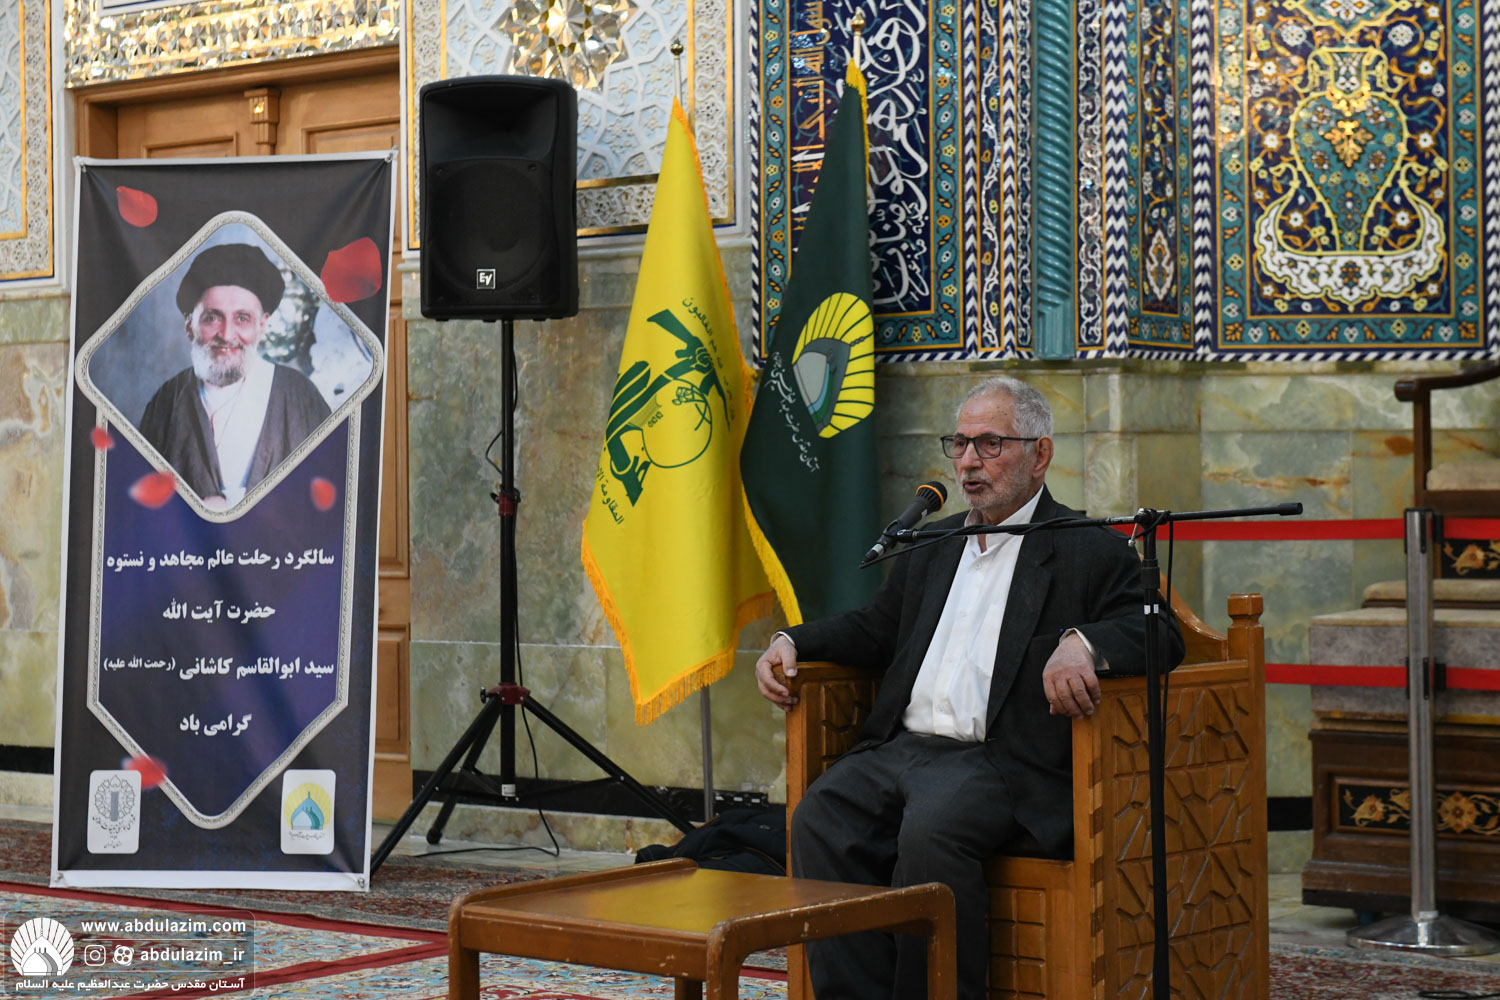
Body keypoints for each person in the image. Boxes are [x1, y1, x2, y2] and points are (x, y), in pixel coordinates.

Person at [754, 375, 1185, 1000]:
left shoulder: (1086, 548)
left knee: (931, 832)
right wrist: (794, 640)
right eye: (959, 444)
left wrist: (1082, 643)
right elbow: (877, 628)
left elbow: (1160, 633)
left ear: (1040, 454)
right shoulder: (934, 541)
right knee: (819, 818)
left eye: (990, 444)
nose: (968, 462)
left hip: (1000, 761)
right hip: (902, 748)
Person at [140, 243, 331, 508]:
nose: (227, 335)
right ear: (189, 326)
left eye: (242, 318)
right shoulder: (166, 401)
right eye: (212, 318)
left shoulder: (299, 396)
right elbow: (142, 502)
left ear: (261, 326)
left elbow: (330, 498)